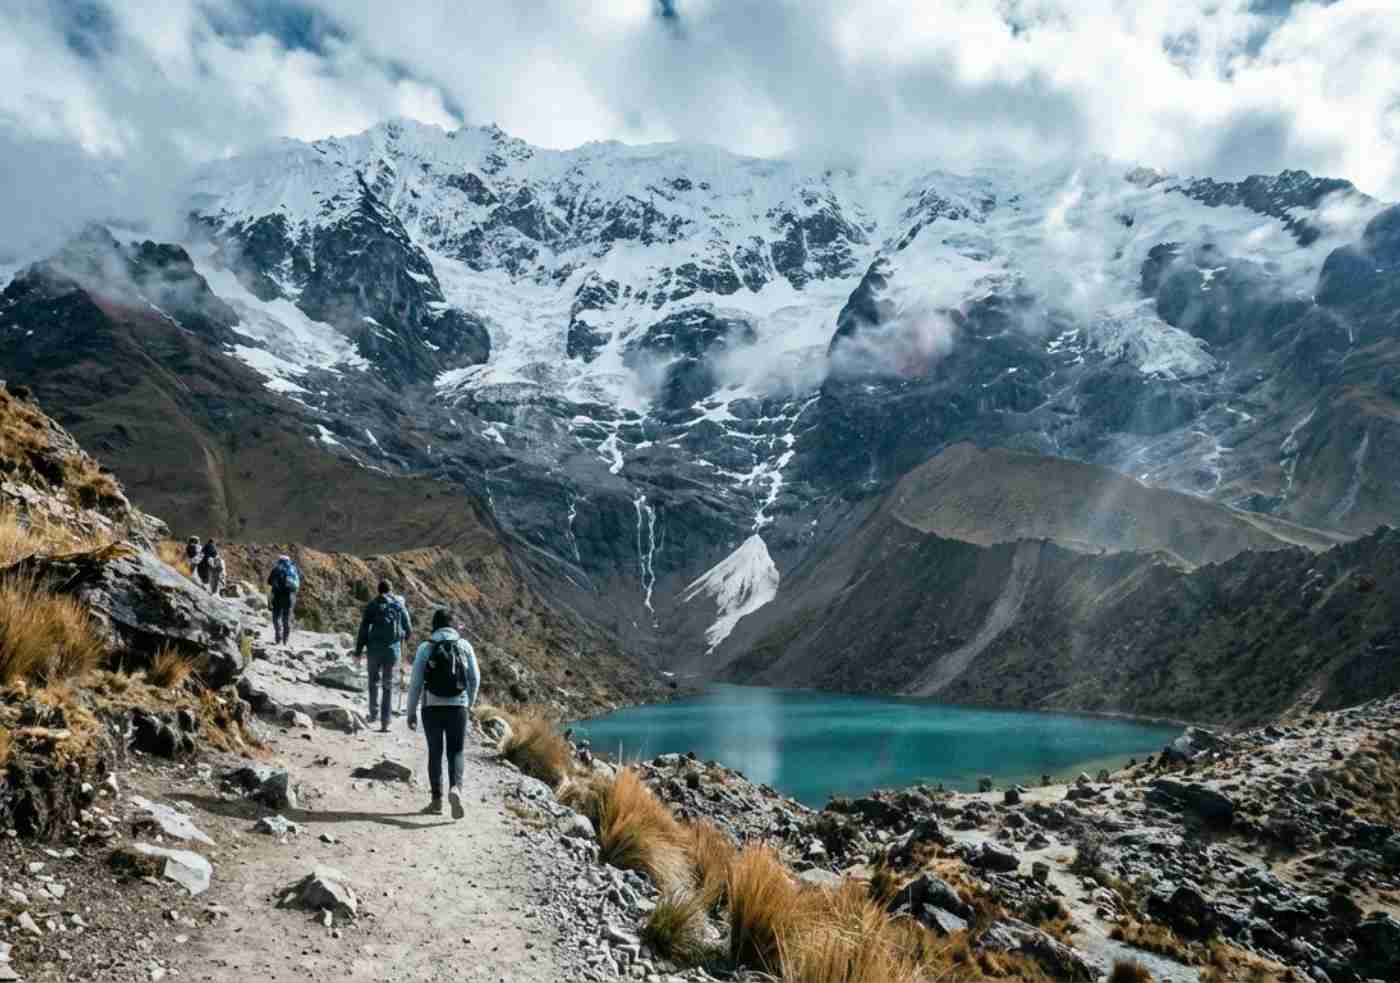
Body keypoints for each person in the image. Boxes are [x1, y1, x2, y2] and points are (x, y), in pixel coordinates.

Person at [406, 609, 479, 818]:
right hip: (458, 707)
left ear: (434, 625)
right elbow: (475, 678)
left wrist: (411, 712)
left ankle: (436, 801)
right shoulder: (464, 646)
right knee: (456, 751)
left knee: (435, 752)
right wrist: (469, 703)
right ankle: (455, 788)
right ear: (453, 625)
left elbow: (415, 683)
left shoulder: (425, 647)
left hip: (431, 707)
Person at [354, 580, 412, 733]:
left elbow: (363, 630)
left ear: (378, 590)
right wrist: (402, 638)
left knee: (373, 681)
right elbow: (409, 629)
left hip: (373, 649)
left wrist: (358, 651)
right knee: (388, 685)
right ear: (391, 590)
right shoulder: (399, 606)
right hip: (392, 651)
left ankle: (373, 714)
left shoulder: (372, 605)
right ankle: (385, 722)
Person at [267, 554, 301, 646]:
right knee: (287, 618)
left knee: (276, 617)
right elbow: (297, 585)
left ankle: (278, 636)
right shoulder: (293, 570)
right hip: (289, 596)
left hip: (277, 595)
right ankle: (285, 640)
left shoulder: (276, 570)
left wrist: (269, 600)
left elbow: (270, 584)